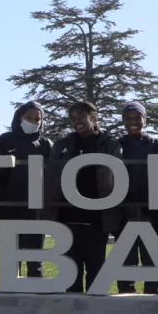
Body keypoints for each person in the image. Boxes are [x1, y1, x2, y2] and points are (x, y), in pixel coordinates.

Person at [46, 101, 123, 293]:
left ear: (93, 117)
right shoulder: (62, 145)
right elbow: (51, 177)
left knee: (96, 274)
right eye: (73, 118)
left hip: (97, 219)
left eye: (81, 116)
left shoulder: (111, 144)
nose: (76, 121)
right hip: (67, 219)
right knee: (70, 276)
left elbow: (118, 179)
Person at [0, 101, 54, 278]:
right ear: (20, 117)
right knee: (11, 261)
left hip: (36, 210)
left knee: (35, 262)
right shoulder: (5, 140)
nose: (34, 121)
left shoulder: (46, 144)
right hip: (9, 207)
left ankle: (36, 299)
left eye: (38, 118)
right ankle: (10, 300)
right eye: (29, 117)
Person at [116, 101, 158, 294]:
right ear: (123, 121)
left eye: (138, 118)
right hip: (123, 210)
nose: (133, 122)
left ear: (145, 120)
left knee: (152, 257)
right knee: (125, 259)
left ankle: (154, 295)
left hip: (151, 210)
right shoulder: (116, 145)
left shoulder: (157, 145)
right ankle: (126, 296)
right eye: (129, 118)